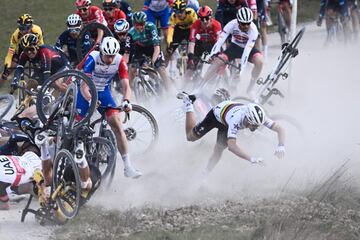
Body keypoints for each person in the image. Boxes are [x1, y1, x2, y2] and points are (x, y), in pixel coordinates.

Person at [76, 36, 142, 179]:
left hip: (104, 92)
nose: (110, 59)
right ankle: (77, 152)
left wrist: (126, 100)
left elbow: (126, 85)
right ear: (101, 52)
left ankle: (128, 166)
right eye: (107, 56)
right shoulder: (93, 58)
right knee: (79, 125)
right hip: (86, 91)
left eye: (113, 56)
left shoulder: (119, 60)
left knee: (117, 125)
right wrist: (90, 99)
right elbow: (83, 86)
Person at [177, 92, 285, 174]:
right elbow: (232, 146)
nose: (256, 128)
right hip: (216, 116)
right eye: (254, 125)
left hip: (228, 115)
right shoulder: (236, 119)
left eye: (258, 125)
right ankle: (189, 102)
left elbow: (280, 129)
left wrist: (281, 146)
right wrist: (251, 158)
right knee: (190, 137)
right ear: (247, 119)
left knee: (218, 150)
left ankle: (205, 174)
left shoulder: (258, 118)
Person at [205, 7, 263, 94]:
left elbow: (246, 52)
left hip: (248, 49)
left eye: (248, 23)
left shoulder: (253, 30)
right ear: (238, 21)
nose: (246, 26)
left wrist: (241, 71)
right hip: (234, 47)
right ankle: (201, 84)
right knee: (218, 61)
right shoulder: (232, 24)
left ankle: (251, 88)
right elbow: (220, 41)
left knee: (260, 61)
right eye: (243, 24)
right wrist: (212, 54)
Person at [124, 11, 173, 92]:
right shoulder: (130, 33)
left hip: (152, 48)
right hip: (140, 49)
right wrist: (123, 65)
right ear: (133, 24)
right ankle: (127, 92)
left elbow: (156, 47)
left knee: (161, 69)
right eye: (137, 24)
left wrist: (153, 62)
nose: (139, 27)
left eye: (142, 24)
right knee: (132, 69)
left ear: (145, 22)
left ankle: (170, 92)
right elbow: (126, 53)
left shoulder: (151, 27)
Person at [1, 14, 44, 84]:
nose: (23, 31)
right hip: (22, 48)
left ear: (31, 26)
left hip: (34, 47)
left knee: (39, 66)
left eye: (26, 28)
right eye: (21, 28)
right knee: (9, 69)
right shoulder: (16, 35)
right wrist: (7, 66)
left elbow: (41, 47)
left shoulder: (37, 31)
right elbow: (10, 53)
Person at [185, 6, 222, 83]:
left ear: (211, 17)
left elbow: (219, 44)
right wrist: (191, 56)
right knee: (190, 67)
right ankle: (183, 88)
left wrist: (214, 55)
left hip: (213, 45)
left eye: (207, 18)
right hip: (200, 45)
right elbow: (192, 43)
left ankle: (229, 85)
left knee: (220, 62)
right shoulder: (195, 25)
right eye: (202, 19)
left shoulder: (217, 25)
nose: (205, 21)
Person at [165, 0, 197, 65]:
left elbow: (196, 27)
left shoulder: (191, 13)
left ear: (185, 10)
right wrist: (170, 43)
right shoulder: (173, 16)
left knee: (195, 48)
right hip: (179, 30)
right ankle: (163, 67)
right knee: (169, 51)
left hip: (190, 30)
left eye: (181, 11)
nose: (179, 14)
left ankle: (194, 64)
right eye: (176, 12)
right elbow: (170, 32)